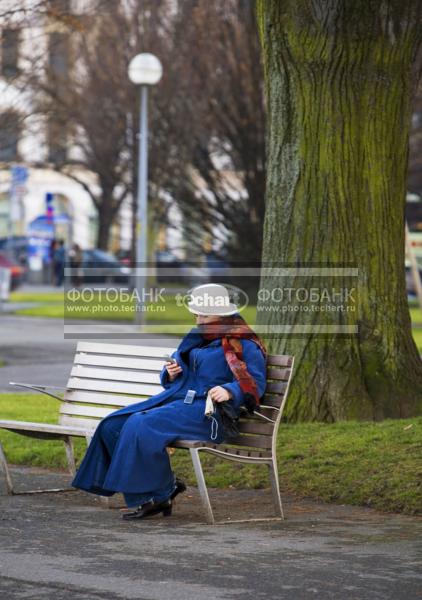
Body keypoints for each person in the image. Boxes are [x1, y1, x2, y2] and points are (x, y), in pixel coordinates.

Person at [71, 283, 267, 520]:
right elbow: (181, 370)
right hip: (179, 401)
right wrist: (172, 372)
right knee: (114, 424)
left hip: (209, 413)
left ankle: (157, 495)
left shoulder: (244, 342)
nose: (199, 319)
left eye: (204, 314)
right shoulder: (199, 337)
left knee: (141, 424)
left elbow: (255, 382)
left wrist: (230, 390)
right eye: (196, 314)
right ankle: (159, 493)